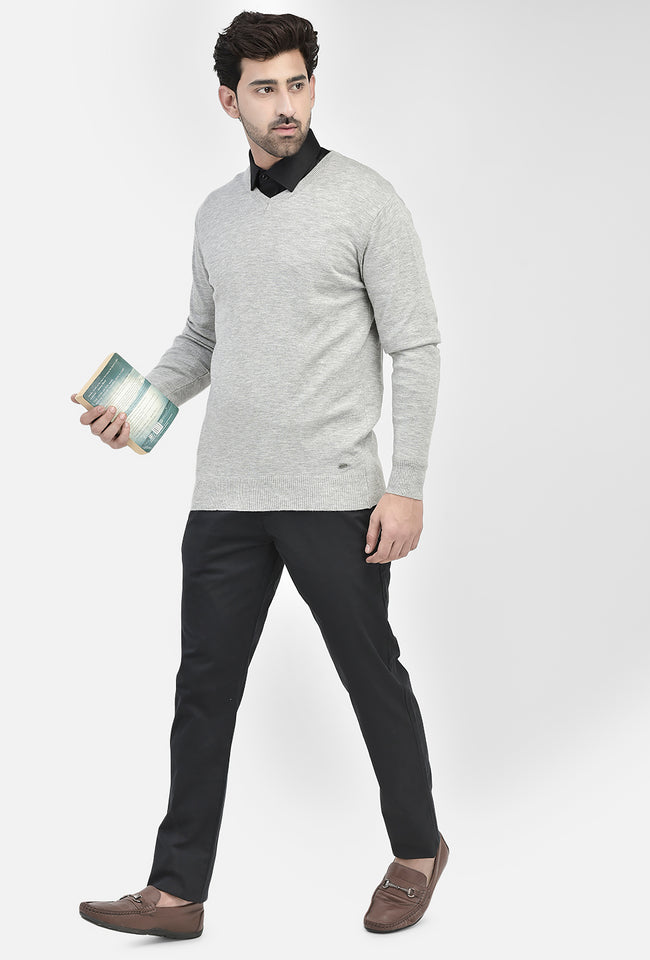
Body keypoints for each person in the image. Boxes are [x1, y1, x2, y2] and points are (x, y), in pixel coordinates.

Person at [72, 10, 449, 938]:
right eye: (265, 88)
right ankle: (176, 891)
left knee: (370, 676)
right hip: (226, 498)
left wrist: (405, 482)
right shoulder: (217, 214)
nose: (286, 105)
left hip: (336, 494)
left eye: (298, 84)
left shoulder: (366, 200)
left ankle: (416, 850)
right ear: (227, 99)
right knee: (203, 690)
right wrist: (141, 409)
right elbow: (203, 339)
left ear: (313, 86)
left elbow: (415, 344)